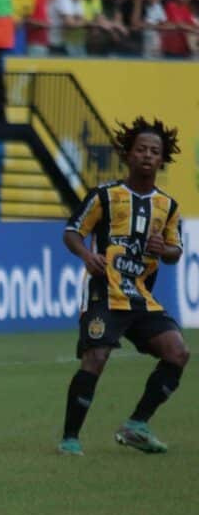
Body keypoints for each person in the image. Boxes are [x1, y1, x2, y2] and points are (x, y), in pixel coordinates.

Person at [59, 117, 189, 456]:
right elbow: (72, 231)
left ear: (162, 160)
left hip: (141, 298)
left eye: (154, 151)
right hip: (106, 292)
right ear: (128, 155)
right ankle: (70, 438)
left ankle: (136, 425)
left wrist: (166, 250)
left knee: (178, 353)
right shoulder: (105, 196)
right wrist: (87, 254)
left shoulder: (168, 206)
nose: (148, 155)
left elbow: (175, 251)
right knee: (96, 356)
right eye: (141, 149)